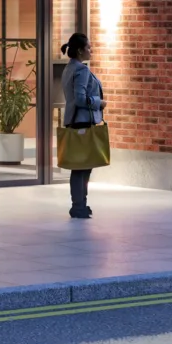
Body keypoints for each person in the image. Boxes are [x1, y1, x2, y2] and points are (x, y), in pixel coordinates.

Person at [60, 32, 104, 219]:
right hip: (83, 122)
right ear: (80, 50)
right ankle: (79, 205)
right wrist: (99, 102)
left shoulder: (69, 68)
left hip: (73, 121)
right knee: (82, 167)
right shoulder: (81, 70)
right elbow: (80, 98)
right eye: (88, 48)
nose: (91, 51)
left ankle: (80, 204)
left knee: (80, 165)